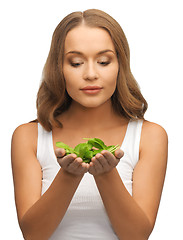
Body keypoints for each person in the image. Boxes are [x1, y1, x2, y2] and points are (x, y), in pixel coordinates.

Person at [11, 9, 168, 240]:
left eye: (104, 61)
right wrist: (69, 176)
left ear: (120, 65)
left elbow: (137, 235)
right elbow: (33, 235)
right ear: (59, 69)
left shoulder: (150, 136)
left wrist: (106, 175)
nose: (91, 74)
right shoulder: (28, 136)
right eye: (76, 63)